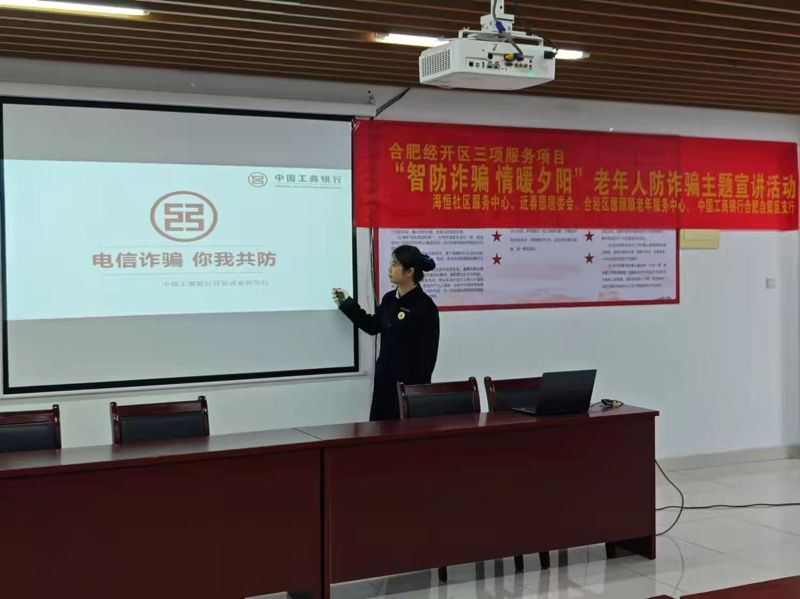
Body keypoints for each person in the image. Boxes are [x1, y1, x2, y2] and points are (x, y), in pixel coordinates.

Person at [333, 245, 439, 421]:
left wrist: (415, 393)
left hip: (408, 389)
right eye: (391, 263)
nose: (389, 269)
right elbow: (372, 326)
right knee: (379, 430)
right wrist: (347, 303)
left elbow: (428, 357)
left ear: (409, 271)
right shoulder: (389, 299)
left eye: (395, 264)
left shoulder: (425, 307)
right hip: (384, 383)